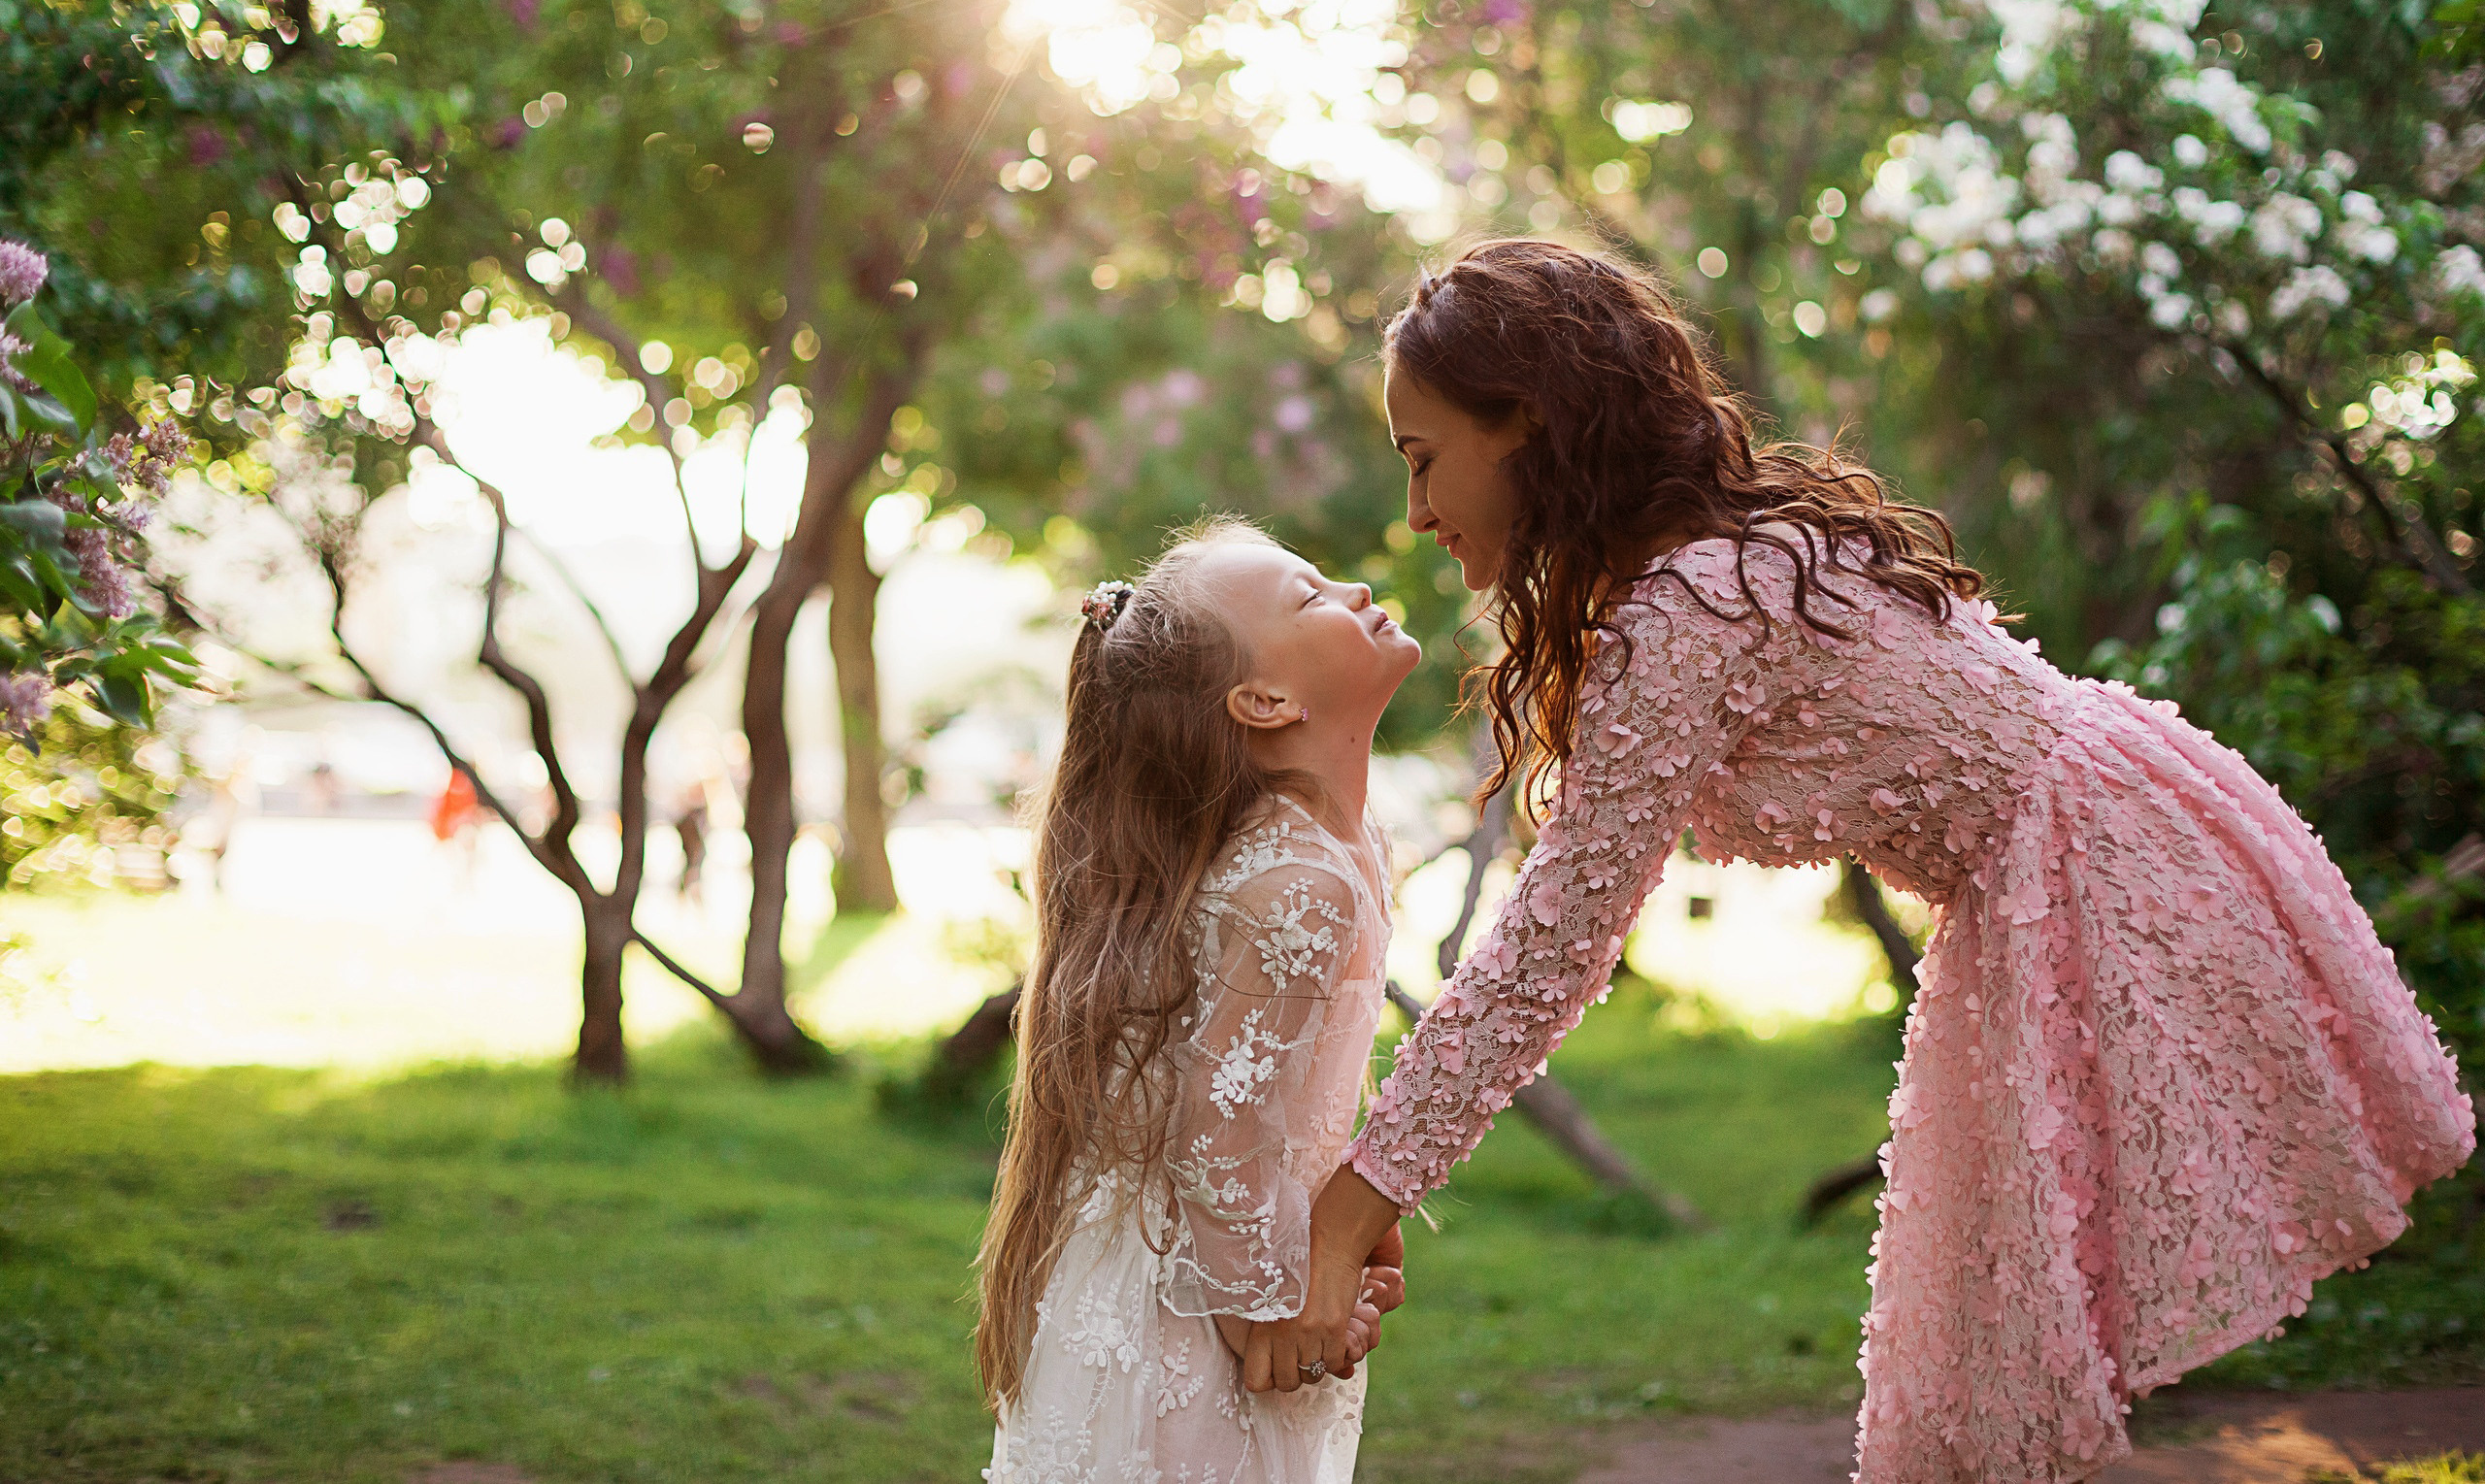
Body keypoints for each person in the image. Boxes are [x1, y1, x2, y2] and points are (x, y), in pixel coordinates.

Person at [1250, 240, 2476, 1483]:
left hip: (2095, 873)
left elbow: (1547, 951)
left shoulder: (1696, 603)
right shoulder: (1702, 577)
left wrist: (1355, 1210)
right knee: (1986, 1395)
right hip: (2055, 860)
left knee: (1995, 1394)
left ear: (1529, 423)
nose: (1413, 514)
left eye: (1422, 460)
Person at [978, 518, 1417, 1484]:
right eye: (1310, 596)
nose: (1351, 591)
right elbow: (1215, 1132)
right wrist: (1267, 1310)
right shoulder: (1299, 878)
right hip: (1195, 1304)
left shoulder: (1345, 846)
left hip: (1218, 1254)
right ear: (1263, 700)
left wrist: (1343, 1205)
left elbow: (1283, 1084)